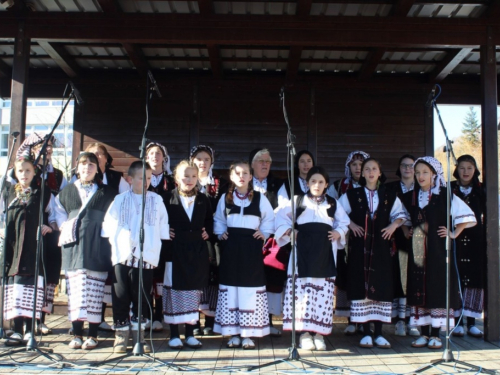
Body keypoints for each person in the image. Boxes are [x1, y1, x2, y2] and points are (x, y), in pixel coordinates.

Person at [402, 156, 476, 350]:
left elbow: (467, 216)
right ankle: (423, 333)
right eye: (417, 173)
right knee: (419, 288)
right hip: (417, 251)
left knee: (436, 287)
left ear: (434, 174)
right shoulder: (412, 195)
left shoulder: (446, 194)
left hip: (437, 251)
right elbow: (401, 217)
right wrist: (406, 231)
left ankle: (436, 335)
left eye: (425, 172)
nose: (420, 176)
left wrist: (453, 233)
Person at [275, 166, 349, 351]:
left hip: (325, 252)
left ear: (326, 184)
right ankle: (304, 334)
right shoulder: (298, 200)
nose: (317, 185)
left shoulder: (332, 203)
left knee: (322, 293)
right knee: (303, 293)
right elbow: (280, 218)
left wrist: (338, 232)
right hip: (302, 252)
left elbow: (344, 222)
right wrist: (291, 232)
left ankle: (319, 333)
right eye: (313, 181)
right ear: (307, 183)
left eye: (321, 182)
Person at [338, 158, 408, 349]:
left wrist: (393, 226)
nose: (369, 172)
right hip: (359, 248)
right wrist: (351, 225)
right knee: (362, 286)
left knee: (381, 286)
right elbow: (338, 213)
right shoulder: (352, 194)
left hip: (382, 249)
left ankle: (378, 333)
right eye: (366, 169)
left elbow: (401, 215)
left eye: (373, 169)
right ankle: (366, 332)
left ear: (379, 172)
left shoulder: (389, 194)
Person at [102, 161, 169, 353]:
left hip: (145, 256)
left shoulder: (156, 200)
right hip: (123, 255)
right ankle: (121, 334)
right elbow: (108, 226)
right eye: (142, 178)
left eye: (148, 178)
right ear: (130, 179)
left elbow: (162, 226)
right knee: (121, 294)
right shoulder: (120, 199)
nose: (146, 181)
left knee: (141, 295)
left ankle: (139, 335)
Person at [54, 152, 117, 350]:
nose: (87, 168)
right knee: (77, 291)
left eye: (91, 165)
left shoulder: (107, 191)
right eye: (83, 164)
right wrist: (66, 227)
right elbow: (59, 214)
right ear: (77, 167)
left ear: (97, 168)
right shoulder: (66, 192)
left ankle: (93, 334)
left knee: (95, 290)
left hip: (98, 244)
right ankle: (77, 334)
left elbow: (114, 216)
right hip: (74, 245)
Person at [6, 133, 67, 335]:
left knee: (43, 276)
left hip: (40, 236)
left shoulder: (55, 176)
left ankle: (37, 320)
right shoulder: (11, 187)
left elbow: (58, 208)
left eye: (50, 146)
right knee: (18, 278)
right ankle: (16, 326)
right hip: (17, 238)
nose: (48, 149)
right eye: (43, 146)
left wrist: (52, 225)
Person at [213, 161, 274, 349]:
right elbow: (219, 219)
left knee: (250, 288)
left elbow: (269, 218)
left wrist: (264, 233)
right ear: (232, 176)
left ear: (250, 176)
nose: (241, 176)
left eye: (245, 173)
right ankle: (233, 333)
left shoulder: (260, 198)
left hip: (251, 248)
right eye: (237, 173)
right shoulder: (225, 198)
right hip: (231, 247)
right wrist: (220, 232)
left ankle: (249, 334)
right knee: (231, 288)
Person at [2, 155, 56, 346]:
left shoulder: (43, 193)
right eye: (20, 171)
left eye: (28, 170)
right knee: (16, 288)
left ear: (34, 173)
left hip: (34, 247)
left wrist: (51, 226)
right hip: (14, 247)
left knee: (32, 287)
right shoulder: (8, 193)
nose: (24, 174)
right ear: (15, 173)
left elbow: (56, 215)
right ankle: (17, 329)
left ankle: (30, 329)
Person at [162, 160, 213, 349]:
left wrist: (208, 230)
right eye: (185, 175)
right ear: (176, 177)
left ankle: (190, 333)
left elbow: (209, 220)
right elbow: (159, 220)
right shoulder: (167, 198)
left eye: (193, 176)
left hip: (196, 252)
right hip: (174, 252)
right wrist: (164, 230)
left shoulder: (203, 199)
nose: (189, 179)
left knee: (192, 292)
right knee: (174, 292)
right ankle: (174, 333)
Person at [81, 142, 129, 331]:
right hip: (89, 235)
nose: (96, 157)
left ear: (106, 159)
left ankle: (108, 318)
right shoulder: (80, 180)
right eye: (91, 154)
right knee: (90, 273)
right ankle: (89, 318)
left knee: (108, 275)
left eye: (99, 154)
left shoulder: (117, 179)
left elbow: (127, 201)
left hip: (112, 235)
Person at [328, 150, 370, 335]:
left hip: (368, 238)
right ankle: (350, 319)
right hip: (345, 239)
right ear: (348, 167)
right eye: (354, 164)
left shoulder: (373, 186)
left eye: (362, 164)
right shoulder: (338, 187)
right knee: (346, 276)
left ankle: (365, 319)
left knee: (365, 276)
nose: (358, 168)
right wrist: (348, 225)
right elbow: (331, 208)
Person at [189, 145, 228, 336]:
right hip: (193, 235)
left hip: (212, 237)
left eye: (206, 159)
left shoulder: (221, 183)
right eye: (198, 159)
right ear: (192, 161)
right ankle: (193, 321)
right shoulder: (187, 181)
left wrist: (211, 230)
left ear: (211, 161)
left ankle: (210, 320)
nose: (202, 163)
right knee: (195, 277)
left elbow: (223, 211)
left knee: (212, 277)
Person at [248, 148, 284, 337]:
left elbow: (283, 208)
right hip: (249, 237)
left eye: (268, 161)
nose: (264, 164)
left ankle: (268, 321)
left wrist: (268, 229)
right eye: (260, 161)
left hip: (271, 239)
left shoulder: (278, 185)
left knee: (270, 280)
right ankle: (250, 321)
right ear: (251, 164)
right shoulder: (244, 182)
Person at [450, 155, 486, 338]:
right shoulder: (449, 189)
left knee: (474, 279)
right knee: (456, 278)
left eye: (469, 168)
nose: (465, 172)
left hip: (476, 241)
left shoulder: (482, 190)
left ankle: (471, 322)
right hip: (455, 239)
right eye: (462, 168)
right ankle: (457, 322)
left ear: (475, 170)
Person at [385, 154, 420, 337]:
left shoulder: (422, 188)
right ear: (399, 168)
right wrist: (404, 228)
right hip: (397, 238)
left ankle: (413, 320)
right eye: (404, 165)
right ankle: (399, 319)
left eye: (411, 165)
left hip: (420, 238)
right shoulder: (390, 188)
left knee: (415, 279)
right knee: (400, 278)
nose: (408, 168)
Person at [146, 141, 176, 332]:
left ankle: (159, 315)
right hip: (148, 233)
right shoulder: (142, 178)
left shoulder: (173, 181)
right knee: (147, 272)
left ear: (164, 158)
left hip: (166, 236)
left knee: (161, 275)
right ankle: (147, 315)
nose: (155, 157)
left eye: (158, 154)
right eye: (151, 154)